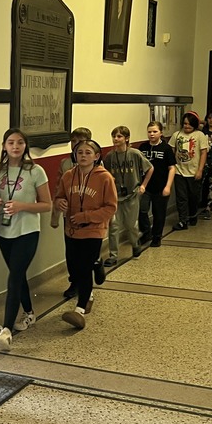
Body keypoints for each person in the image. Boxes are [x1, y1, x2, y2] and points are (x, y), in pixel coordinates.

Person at [0, 128, 51, 351]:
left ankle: (5, 331)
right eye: (11, 142)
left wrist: (23, 206)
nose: (15, 146)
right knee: (17, 273)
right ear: (4, 146)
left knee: (14, 276)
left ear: (26, 146)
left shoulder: (36, 171)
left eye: (20, 143)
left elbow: (47, 204)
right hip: (4, 232)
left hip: (28, 231)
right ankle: (30, 313)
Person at [53, 140, 116, 330]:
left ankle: (80, 309)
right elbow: (59, 196)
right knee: (74, 264)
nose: (83, 155)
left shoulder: (105, 178)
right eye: (79, 152)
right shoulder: (68, 176)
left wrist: (86, 216)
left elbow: (111, 207)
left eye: (88, 152)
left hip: (94, 229)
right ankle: (96, 263)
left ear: (96, 157)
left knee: (83, 267)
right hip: (72, 229)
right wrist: (60, 203)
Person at [50, 127, 93, 298]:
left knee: (88, 251)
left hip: (89, 215)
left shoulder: (96, 163)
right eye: (73, 142)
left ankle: (92, 270)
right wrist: (56, 210)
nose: (75, 146)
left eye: (80, 142)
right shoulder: (65, 164)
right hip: (70, 215)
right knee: (72, 251)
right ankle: (74, 281)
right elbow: (59, 189)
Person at [102, 125, 152, 265]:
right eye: (114, 136)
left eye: (119, 136)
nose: (115, 139)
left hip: (132, 195)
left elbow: (150, 169)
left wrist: (143, 185)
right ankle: (113, 255)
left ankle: (135, 244)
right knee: (114, 226)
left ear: (126, 138)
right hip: (115, 196)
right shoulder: (110, 157)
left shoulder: (134, 154)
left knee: (131, 225)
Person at [138, 121, 175, 247]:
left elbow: (172, 168)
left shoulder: (166, 148)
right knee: (142, 211)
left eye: (155, 132)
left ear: (161, 133)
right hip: (145, 186)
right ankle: (146, 232)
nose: (152, 134)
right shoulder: (143, 148)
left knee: (159, 213)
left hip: (160, 187)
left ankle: (157, 236)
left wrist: (168, 186)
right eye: (149, 132)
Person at [168, 112, 208, 230]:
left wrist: (200, 170)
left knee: (193, 196)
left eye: (190, 124)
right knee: (181, 197)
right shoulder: (176, 135)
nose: (187, 126)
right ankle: (183, 220)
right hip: (179, 171)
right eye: (185, 124)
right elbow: (172, 151)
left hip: (194, 171)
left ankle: (193, 215)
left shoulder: (200, 135)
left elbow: (203, 153)